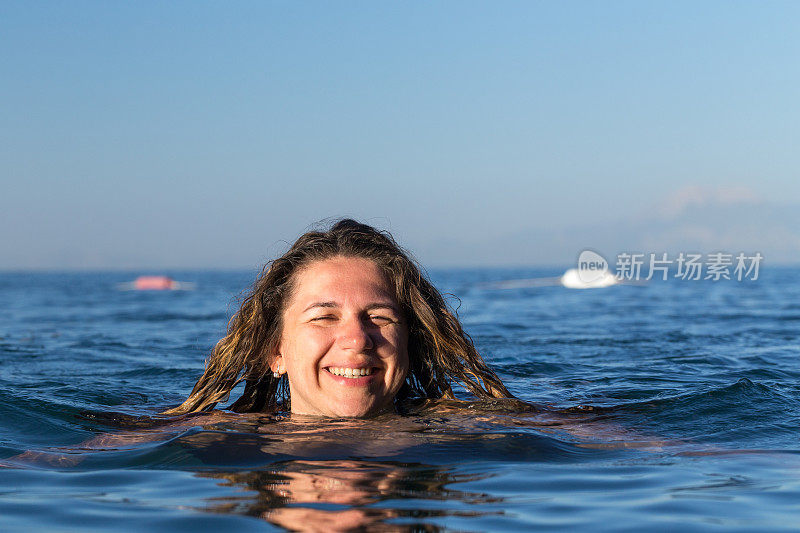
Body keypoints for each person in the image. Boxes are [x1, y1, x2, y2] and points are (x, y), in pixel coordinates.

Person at [165, 219, 514, 418]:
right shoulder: (216, 444)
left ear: (411, 343)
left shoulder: (477, 432)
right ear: (275, 353)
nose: (357, 339)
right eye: (324, 317)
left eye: (378, 317)